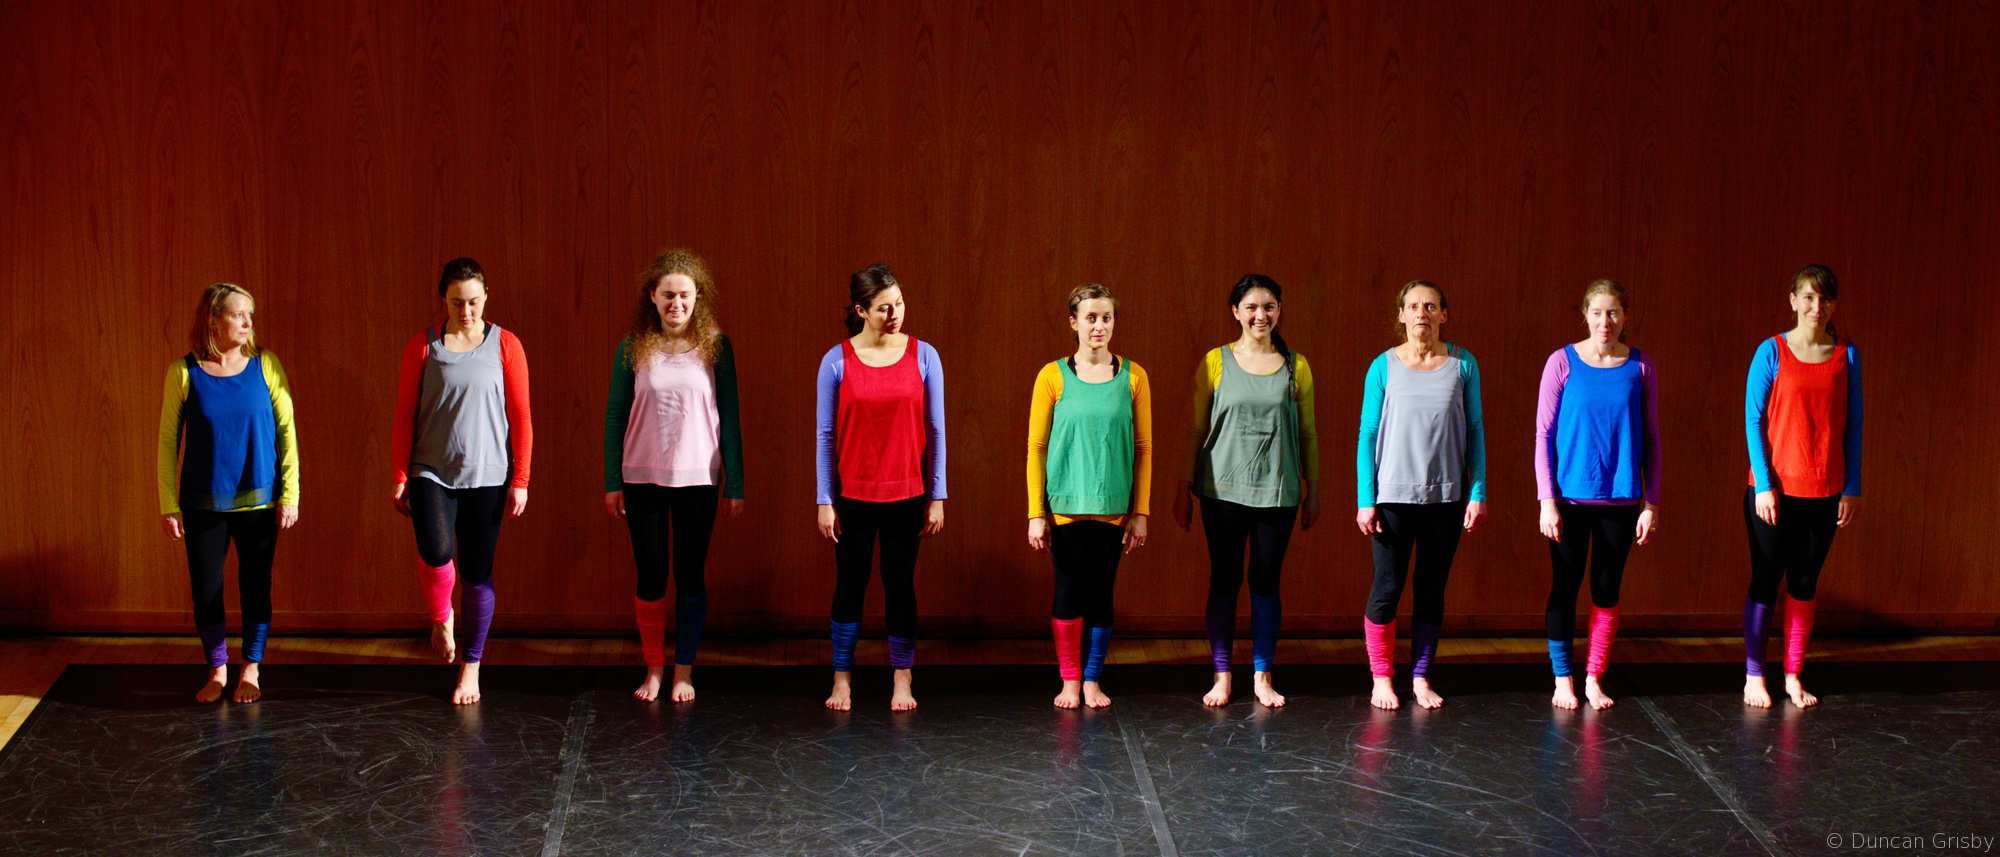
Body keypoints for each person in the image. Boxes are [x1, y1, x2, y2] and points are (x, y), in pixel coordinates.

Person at [1172, 274, 1320, 708]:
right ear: (1235, 312)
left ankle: (1262, 674)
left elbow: (1308, 434)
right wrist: (1182, 488)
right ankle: (1222, 674)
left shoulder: (1297, 366)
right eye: (1251, 307)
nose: (1260, 315)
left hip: (1279, 493)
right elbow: (1194, 429)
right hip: (1221, 492)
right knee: (1224, 580)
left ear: (1279, 311)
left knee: (1266, 582)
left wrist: (1314, 490)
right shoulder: (1215, 361)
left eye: (1269, 306)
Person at [604, 249, 745, 703]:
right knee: (650, 577)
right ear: (652, 295)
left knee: (689, 576)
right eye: (668, 295)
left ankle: (684, 670)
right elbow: (615, 415)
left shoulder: (716, 347)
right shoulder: (633, 346)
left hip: (698, 479)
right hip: (641, 478)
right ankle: (654, 668)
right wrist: (612, 481)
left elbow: (730, 415)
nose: (676, 303)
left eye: (684, 295)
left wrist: (735, 482)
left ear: (697, 295)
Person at [391, 257, 532, 705]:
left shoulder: (506, 344)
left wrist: (521, 478)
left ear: (486, 298)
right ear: (444, 301)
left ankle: (471, 666)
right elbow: (404, 413)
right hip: (431, 470)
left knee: (476, 573)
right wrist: (399, 473)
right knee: (436, 551)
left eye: (473, 301)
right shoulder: (423, 345)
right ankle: (441, 617)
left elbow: (521, 416)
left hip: (488, 475)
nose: (466, 311)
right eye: (456, 302)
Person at [156, 283, 300, 703]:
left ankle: (251, 668)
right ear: (213, 319)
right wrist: (168, 504)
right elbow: (167, 441)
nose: (248, 323)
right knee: (206, 592)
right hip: (202, 503)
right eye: (238, 315)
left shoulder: (266, 365)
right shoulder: (184, 371)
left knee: (256, 588)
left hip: (260, 501)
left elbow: (287, 431)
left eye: (250, 315)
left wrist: (289, 494)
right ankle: (217, 669)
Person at [815, 264, 945, 712]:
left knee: (900, 585)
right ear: (861, 310)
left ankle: (902, 679)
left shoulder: (924, 356)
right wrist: (824, 499)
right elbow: (826, 435)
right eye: (884, 308)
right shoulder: (836, 361)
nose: (895, 314)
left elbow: (936, 429)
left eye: (900, 304)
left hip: (907, 494)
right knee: (849, 584)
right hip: (852, 496)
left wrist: (937, 495)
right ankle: (842, 679)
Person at [1356, 280, 1487, 711]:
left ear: (1443, 315)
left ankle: (1421, 675)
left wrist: (1477, 490)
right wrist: (1366, 499)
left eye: (1430, 306)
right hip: (1392, 498)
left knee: (1431, 590)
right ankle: (1381, 678)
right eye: (1413, 306)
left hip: (1446, 499)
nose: (1421, 313)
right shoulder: (1383, 366)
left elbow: (1474, 431)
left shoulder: (1464, 364)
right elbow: (1368, 434)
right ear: (1401, 315)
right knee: (1386, 588)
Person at [1534, 279, 1661, 711]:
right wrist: (1546, 501)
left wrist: (1652, 502)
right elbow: (1543, 435)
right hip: (1568, 501)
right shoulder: (1561, 362)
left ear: (1625, 316)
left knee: (1606, 590)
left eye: (1613, 313)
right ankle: (1563, 679)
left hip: (1621, 501)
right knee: (1565, 587)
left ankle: (1593, 677)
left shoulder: (1641, 367)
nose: (1605, 321)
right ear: (1585, 315)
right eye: (1597, 312)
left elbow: (1652, 438)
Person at [1025, 284, 1153, 709]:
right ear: (1073, 322)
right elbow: (1036, 448)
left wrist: (1140, 511)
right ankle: (1070, 680)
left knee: (1101, 594)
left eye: (1106, 317)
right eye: (1091, 317)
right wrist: (1035, 513)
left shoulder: (1134, 377)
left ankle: (1093, 679)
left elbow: (1143, 449)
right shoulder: (1051, 376)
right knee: (1068, 592)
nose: (1099, 326)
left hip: (1113, 508)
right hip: (1064, 507)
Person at [1742, 264, 1861, 709]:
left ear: (1834, 305)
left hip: (1825, 491)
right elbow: (1753, 419)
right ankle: (1755, 674)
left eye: (1825, 299)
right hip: (1772, 493)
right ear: (1793, 300)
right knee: (1766, 580)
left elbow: (1854, 424)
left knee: (1805, 584)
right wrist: (1763, 485)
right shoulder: (1771, 351)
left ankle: (1793, 674)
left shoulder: (1847, 356)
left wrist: (1852, 486)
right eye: (1809, 297)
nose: (1817, 307)